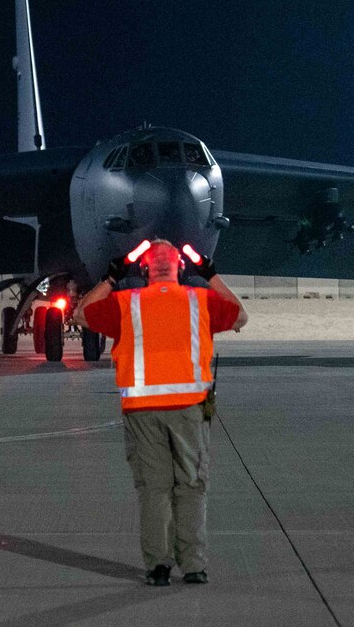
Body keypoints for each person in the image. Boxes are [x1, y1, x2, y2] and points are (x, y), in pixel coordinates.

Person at [78, 240, 247, 586]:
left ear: (144, 270)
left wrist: (111, 278)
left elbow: (82, 313)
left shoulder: (127, 304)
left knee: (154, 490)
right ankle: (194, 566)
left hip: (142, 411)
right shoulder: (199, 301)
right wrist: (211, 275)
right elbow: (241, 315)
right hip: (188, 410)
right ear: (180, 268)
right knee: (191, 486)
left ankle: (158, 566)